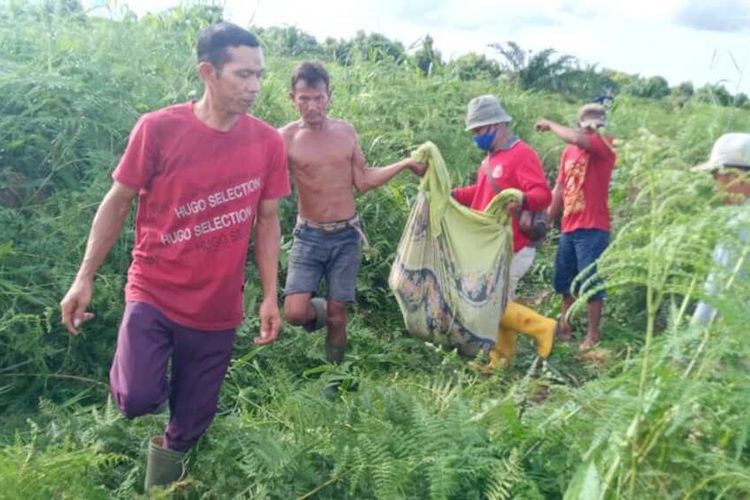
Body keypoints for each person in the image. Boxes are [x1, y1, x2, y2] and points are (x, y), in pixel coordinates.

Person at [59, 22, 290, 491]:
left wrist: (271, 295)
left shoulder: (268, 142)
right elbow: (118, 201)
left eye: (259, 75)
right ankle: (147, 385)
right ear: (208, 72)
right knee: (136, 396)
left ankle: (161, 486)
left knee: (191, 424)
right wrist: (83, 278)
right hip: (155, 291)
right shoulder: (159, 129)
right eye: (242, 75)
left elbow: (268, 222)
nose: (254, 87)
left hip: (218, 307)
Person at [279, 61, 425, 394]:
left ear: (329, 96)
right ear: (292, 98)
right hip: (308, 236)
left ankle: (334, 377)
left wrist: (403, 164)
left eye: (318, 98)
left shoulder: (345, 131)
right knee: (295, 313)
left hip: (346, 236)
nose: (312, 106)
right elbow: (265, 181)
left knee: (338, 314)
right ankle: (319, 308)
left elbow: (363, 180)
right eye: (304, 99)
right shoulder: (284, 138)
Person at [453, 95, 555, 369]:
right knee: (500, 301)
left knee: (491, 304)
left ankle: (543, 327)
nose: (476, 137)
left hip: (516, 243)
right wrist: (450, 195)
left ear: (496, 125)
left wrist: (522, 198)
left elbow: (543, 194)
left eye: (478, 131)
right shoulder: (490, 160)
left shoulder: (521, 154)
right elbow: (481, 193)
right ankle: (500, 361)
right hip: (493, 245)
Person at [536, 103, 616, 350]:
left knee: (590, 282)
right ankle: (566, 327)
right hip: (569, 227)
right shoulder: (568, 153)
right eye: (589, 124)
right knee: (565, 282)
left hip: (593, 228)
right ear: (581, 124)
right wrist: (547, 221)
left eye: (597, 124)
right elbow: (559, 188)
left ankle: (592, 335)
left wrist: (550, 124)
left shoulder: (605, 144)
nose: (593, 128)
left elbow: (578, 139)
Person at [691, 133, 750, 326]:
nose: (715, 187)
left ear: (737, 177)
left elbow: (718, 289)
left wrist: (686, 351)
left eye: (717, 178)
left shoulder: (739, 223)